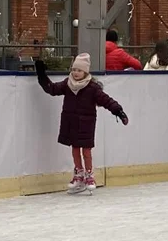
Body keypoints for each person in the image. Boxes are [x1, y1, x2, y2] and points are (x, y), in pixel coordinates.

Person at [35, 53, 128, 195]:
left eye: (79, 70)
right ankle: (79, 174)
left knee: (86, 151)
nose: (75, 73)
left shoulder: (92, 88)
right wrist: (41, 73)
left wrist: (119, 111)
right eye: (74, 70)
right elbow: (52, 89)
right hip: (70, 122)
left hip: (86, 123)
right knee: (75, 149)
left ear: (85, 72)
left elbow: (106, 100)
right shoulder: (67, 84)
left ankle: (89, 175)